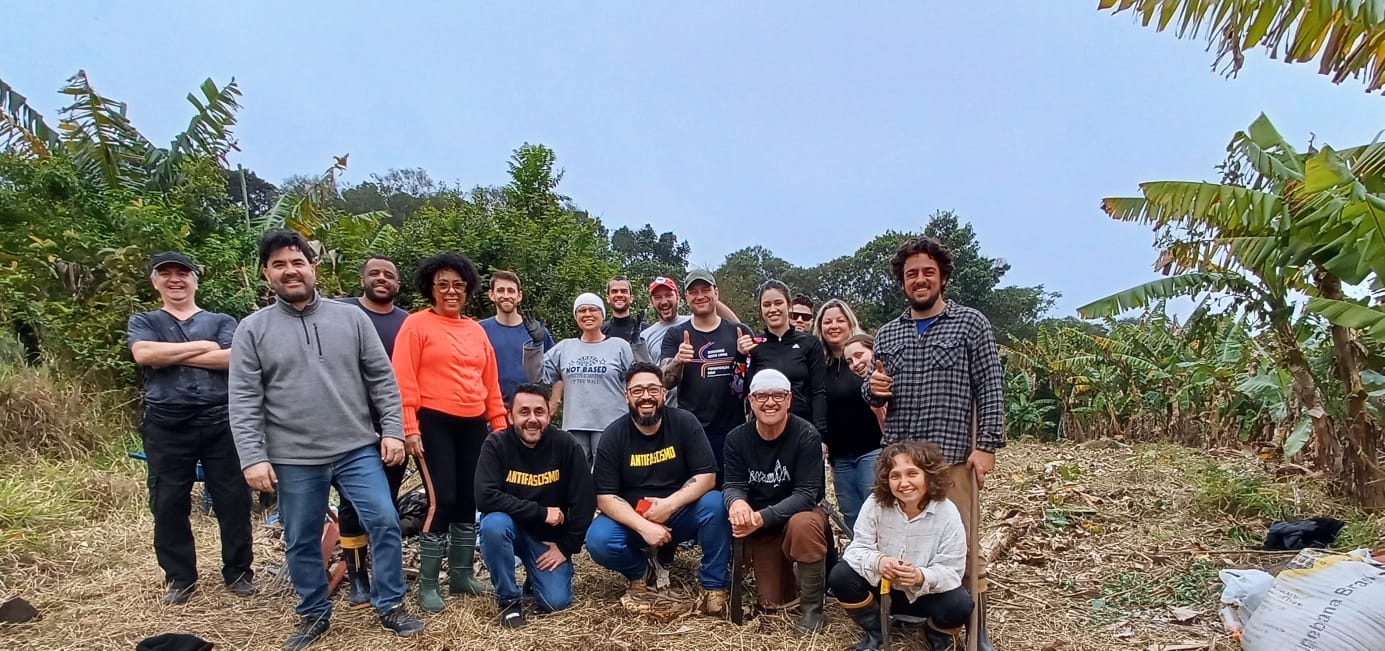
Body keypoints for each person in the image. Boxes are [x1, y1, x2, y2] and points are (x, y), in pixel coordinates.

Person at [229, 231, 422, 649]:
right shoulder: (253, 330)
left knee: (384, 522)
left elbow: (382, 381)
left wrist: (391, 431)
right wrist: (252, 457)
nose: (289, 271)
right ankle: (314, 613)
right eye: (279, 265)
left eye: (297, 262)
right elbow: (243, 398)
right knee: (300, 536)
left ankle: (390, 604)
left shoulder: (351, 319)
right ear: (267, 274)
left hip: (356, 448)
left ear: (312, 267)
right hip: (293, 456)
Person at [865, 236, 1004, 649]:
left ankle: (974, 628)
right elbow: (871, 392)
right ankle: (917, 617)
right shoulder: (888, 333)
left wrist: (988, 445)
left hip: (951, 459)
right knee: (897, 536)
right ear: (902, 282)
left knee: (962, 545)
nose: (920, 280)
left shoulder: (971, 324)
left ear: (942, 277)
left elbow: (991, 388)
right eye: (912, 274)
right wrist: (872, 389)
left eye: (928, 272)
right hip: (899, 462)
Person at [127, 251, 254, 605]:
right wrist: (201, 348)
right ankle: (180, 577)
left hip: (220, 420)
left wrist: (170, 353)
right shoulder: (145, 320)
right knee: (167, 502)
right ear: (156, 282)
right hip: (167, 423)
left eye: (182, 273)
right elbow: (144, 355)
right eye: (165, 274)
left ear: (195, 280)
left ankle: (239, 572)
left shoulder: (220, 320)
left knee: (233, 500)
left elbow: (233, 358)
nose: (174, 280)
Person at [392, 252, 509, 613]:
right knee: (441, 498)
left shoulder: (476, 330)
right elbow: (403, 380)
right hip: (433, 422)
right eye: (443, 285)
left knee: (469, 498)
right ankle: (428, 584)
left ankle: (460, 576)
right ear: (431, 288)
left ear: (468, 290)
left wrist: (500, 427)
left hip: (473, 424)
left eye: (458, 285)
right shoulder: (416, 325)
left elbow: (490, 383)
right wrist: (409, 428)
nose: (451, 291)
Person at [584, 363, 731, 616]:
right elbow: (605, 496)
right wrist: (645, 527)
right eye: (637, 390)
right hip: (634, 519)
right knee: (599, 538)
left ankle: (714, 585)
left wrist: (670, 505)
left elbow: (707, 477)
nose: (646, 396)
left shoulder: (685, 422)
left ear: (664, 393)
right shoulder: (614, 435)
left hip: (680, 512)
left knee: (716, 504)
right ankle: (640, 572)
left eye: (653, 388)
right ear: (627, 396)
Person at [830, 441, 973, 651]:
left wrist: (921, 576)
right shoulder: (875, 503)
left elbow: (952, 571)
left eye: (912, 474)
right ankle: (876, 633)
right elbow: (857, 549)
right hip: (883, 590)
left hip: (924, 595)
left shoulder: (947, 513)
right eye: (895, 476)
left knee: (960, 603)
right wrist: (879, 561)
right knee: (840, 576)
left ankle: (936, 635)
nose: (904, 483)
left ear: (928, 475)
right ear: (886, 480)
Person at [475, 383, 596, 628]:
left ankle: (534, 577)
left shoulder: (567, 445)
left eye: (539, 412)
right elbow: (485, 497)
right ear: (510, 416)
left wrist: (565, 547)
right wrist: (541, 513)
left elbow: (585, 501)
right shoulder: (496, 445)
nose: (532, 419)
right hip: (510, 529)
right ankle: (508, 601)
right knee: (493, 524)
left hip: (547, 541)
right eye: (524, 412)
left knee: (555, 602)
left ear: (549, 414)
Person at [722, 369, 828, 634]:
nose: (770, 402)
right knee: (771, 600)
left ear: (789, 399)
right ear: (751, 401)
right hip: (763, 525)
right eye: (762, 396)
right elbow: (733, 484)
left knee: (804, 524)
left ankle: (813, 610)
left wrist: (758, 518)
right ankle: (787, 581)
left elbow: (807, 495)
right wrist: (736, 503)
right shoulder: (736, 438)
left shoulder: (807, 435)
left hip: (798, 515)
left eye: (778, 395)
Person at [334, 255, 410, 610]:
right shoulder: (341, 313)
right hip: (347, 425)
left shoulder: (406, 323)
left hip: (392, 425)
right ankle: (357, 577)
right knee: (351, 504)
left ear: (398, 284)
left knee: (386, 506)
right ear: (362, 278)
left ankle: (386, 578)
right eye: (375, 273)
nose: (382, 279)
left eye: (389, 275)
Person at [658, 268, 753, 474]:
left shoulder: (739, 332)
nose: (700, 296)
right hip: (692, 433)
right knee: (699, 495)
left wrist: (741, 357)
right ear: (686, 298)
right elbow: (664, 383)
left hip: (734, 432)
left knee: (733, 493)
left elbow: (743, 390)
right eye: (693, 291)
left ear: (716, 293)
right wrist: (677, 361)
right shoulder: (676, 335)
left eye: (705, 289)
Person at [543, 293, 635, 465]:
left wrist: (639, 345)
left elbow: (639, 377)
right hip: (575, 425)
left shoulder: (619, 346)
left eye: (593, 309)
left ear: (602, 314)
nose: (587, 314)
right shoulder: (565, 347)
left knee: (608, 474)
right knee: (576, 476)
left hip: (611, 424)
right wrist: (534, 346)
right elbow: (538, 374)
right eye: (582, 310)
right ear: (575, 316)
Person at [814, 300, 881, 530]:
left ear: (850, 323)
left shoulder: (866, 359)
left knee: (875, 509)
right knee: (851, 513)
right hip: (840, 456)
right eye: (827, 321)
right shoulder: (819, 365)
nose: (834, 326)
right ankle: (860, 563)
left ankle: (882, 562)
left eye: (840, 320)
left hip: (871, 449)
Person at [743, 280, 827, 434]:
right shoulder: (754, 346)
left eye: (778, 303)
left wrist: (820, 435)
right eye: (767, 305)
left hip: (803, 429)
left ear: (789, 306)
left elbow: (818, 392)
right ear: (760, 310)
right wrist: (739, 357)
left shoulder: (810, 343)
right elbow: (745, 392)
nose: (773, 309)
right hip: (765, 431)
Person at [479, 270, 554, 404]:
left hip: (530, 410)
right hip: (491, 409)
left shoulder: (535, 331)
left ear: (519, 296)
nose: (506, 295)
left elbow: (558, 370)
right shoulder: (480, 330)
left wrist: (554, 402)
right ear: (492, 295)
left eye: (511, 291)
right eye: (501, 290)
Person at [600, 275, 645, 352]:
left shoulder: (645, 330)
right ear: (608, 298)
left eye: (624, 291)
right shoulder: (601, 332)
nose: (619, 295)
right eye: (614, 291)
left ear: (631, 298)